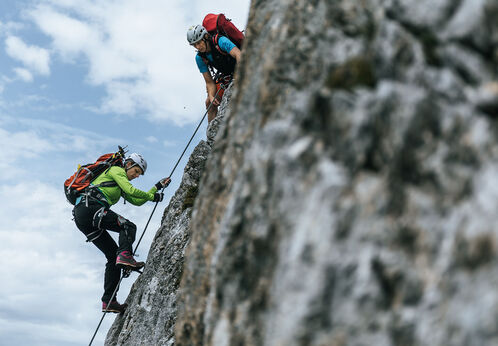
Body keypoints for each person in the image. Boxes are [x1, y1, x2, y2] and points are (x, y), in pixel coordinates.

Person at [72, 153, 171, 313]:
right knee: (128, 226)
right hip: (89, 208)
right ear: (129, 164)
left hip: (84, 217)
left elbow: (137, 200)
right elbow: (130, 189)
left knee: (112, 257)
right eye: (136, 171)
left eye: (139, 174)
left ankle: (108, 301)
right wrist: (153, 197)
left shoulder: (118, 182)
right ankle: (125, 255)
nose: (137, 176)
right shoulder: (116, 170)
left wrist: (156, 187)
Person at [187, 24, 242, 122]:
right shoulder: (200, 58)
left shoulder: (220, 41)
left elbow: (239, 55)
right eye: (194, 45)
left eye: (199, 42)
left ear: (206, 37)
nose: (197, 47)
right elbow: (209, 82)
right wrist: (212, 96)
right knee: (209, 102)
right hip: (227, 76)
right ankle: (212, 135)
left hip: (241, 68)